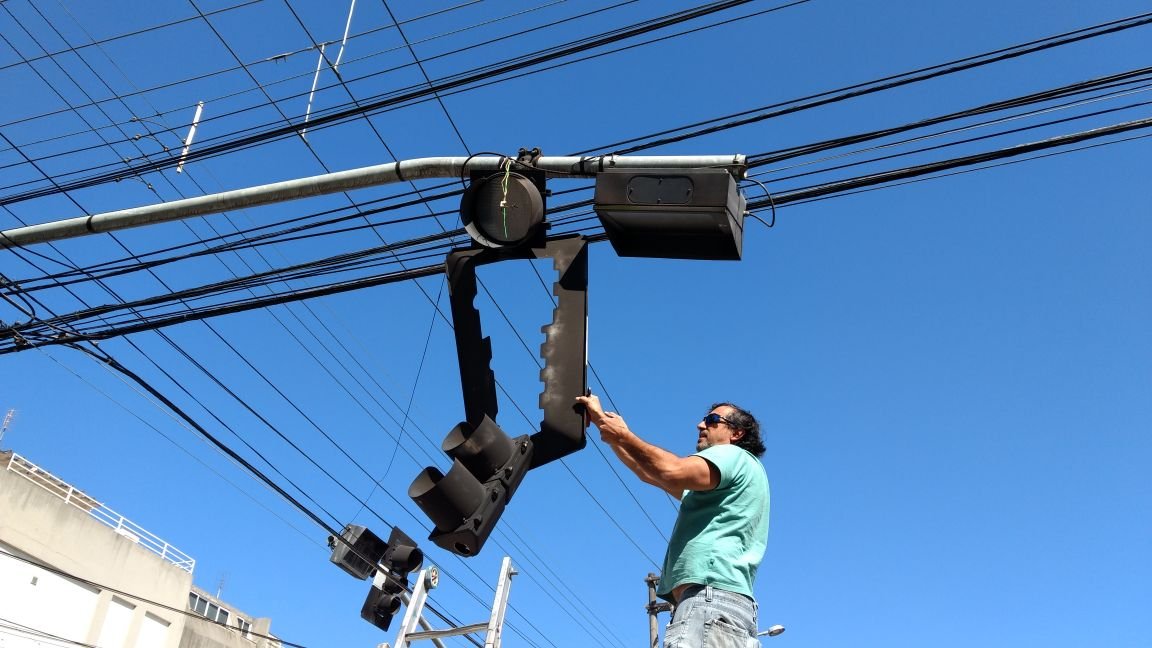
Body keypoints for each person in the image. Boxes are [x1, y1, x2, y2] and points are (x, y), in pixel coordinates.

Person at [576, 394, 769, 648]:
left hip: (709, 602)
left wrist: (622, 434)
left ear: (737, 434)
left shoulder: (733, 456)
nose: (700, 425)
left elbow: (671, 470)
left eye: (712, 420)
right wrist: (608, 430)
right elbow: (651, 473)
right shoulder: (733, 478)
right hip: (718, 605)